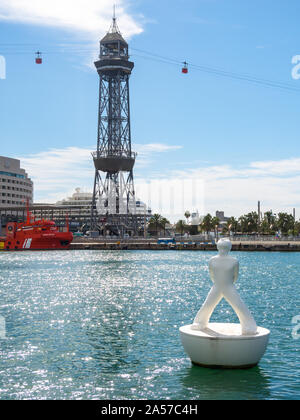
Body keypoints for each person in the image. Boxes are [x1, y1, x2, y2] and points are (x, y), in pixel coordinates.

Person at [192, 238, 257, 335]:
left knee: (207, 305)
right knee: (239, 306)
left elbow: (212, 276)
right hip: (228, 286)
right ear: (230, 247)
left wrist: (220, 284)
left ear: (217, 247)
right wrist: (228, 284)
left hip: (217, 286)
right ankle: (249, 326)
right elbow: (235, 277)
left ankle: (200, 323)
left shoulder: (212, 260)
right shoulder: (234, 261)